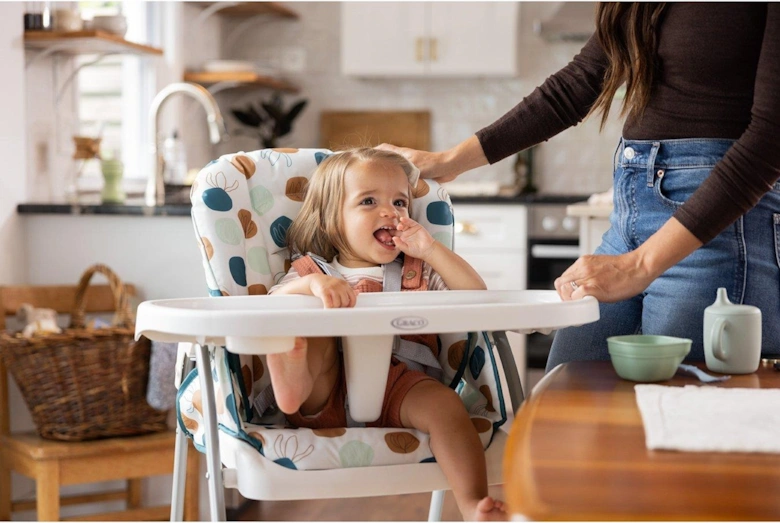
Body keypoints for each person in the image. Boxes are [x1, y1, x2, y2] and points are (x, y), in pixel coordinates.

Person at [378, 3, 780, 370]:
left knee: (681, 416)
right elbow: (577, 84)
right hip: (631, 213)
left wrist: (640, 265)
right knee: (566, 393)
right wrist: (449, 161)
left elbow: (770, 140)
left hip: (718, 228)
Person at [265, 148, 507, 521]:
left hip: (403, 383)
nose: (390, 212)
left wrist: (431, 250)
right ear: (332, 220)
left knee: (447, 407)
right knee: (308, 334)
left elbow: (477, 298)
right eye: (368, 201)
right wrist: (312, 286)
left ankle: (473, 503)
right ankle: (292, 379)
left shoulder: (418, 272)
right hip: (326, 388)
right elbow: (269, 305)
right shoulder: (312, 271)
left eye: (400, 201)